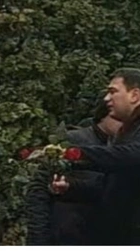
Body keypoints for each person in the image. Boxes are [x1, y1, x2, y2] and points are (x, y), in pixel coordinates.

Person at [54, 68, 140, 245]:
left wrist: (77, 154)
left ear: (134, 95)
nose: (107, 98)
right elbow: (110, 187)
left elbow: (132, 156)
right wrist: (70, 187)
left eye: (113, 92)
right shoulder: (126, 133)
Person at [25, 101, 121, 245]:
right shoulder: (73, 140)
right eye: (119, 118)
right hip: (66, 232)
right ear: (104, 115)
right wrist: (38, 239)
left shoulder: (123, 148)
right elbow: (39, 188)